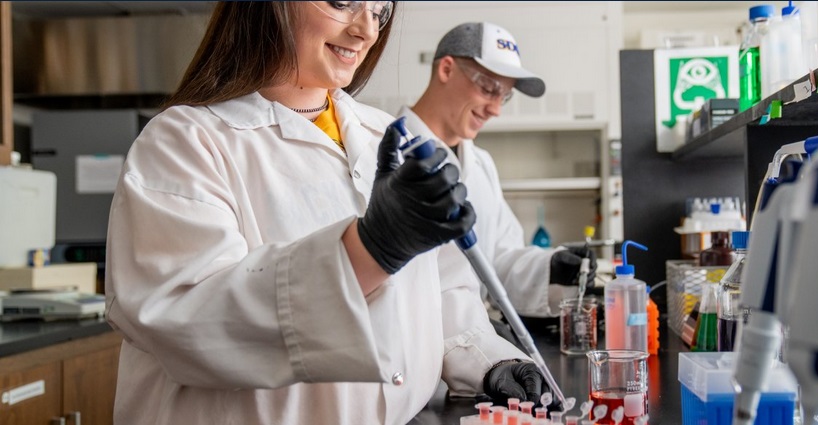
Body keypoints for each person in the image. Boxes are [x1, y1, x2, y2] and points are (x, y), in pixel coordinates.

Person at [104, 3, 551, 424]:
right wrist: (370, 249)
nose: (367, 29)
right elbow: (186, 320)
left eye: (379, 10)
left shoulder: (388, 136)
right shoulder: (185, 143)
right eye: (342, 2)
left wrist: (489, 360)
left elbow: (444, 288)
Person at [398, 22, 598, 319]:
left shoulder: (481, 164)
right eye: (488, 88)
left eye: (504, 95)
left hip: (476, 342)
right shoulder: (385, 153)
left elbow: (499, 259)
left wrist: (552, 268)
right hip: (412, 348)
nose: (496, 109)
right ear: (447, 70)